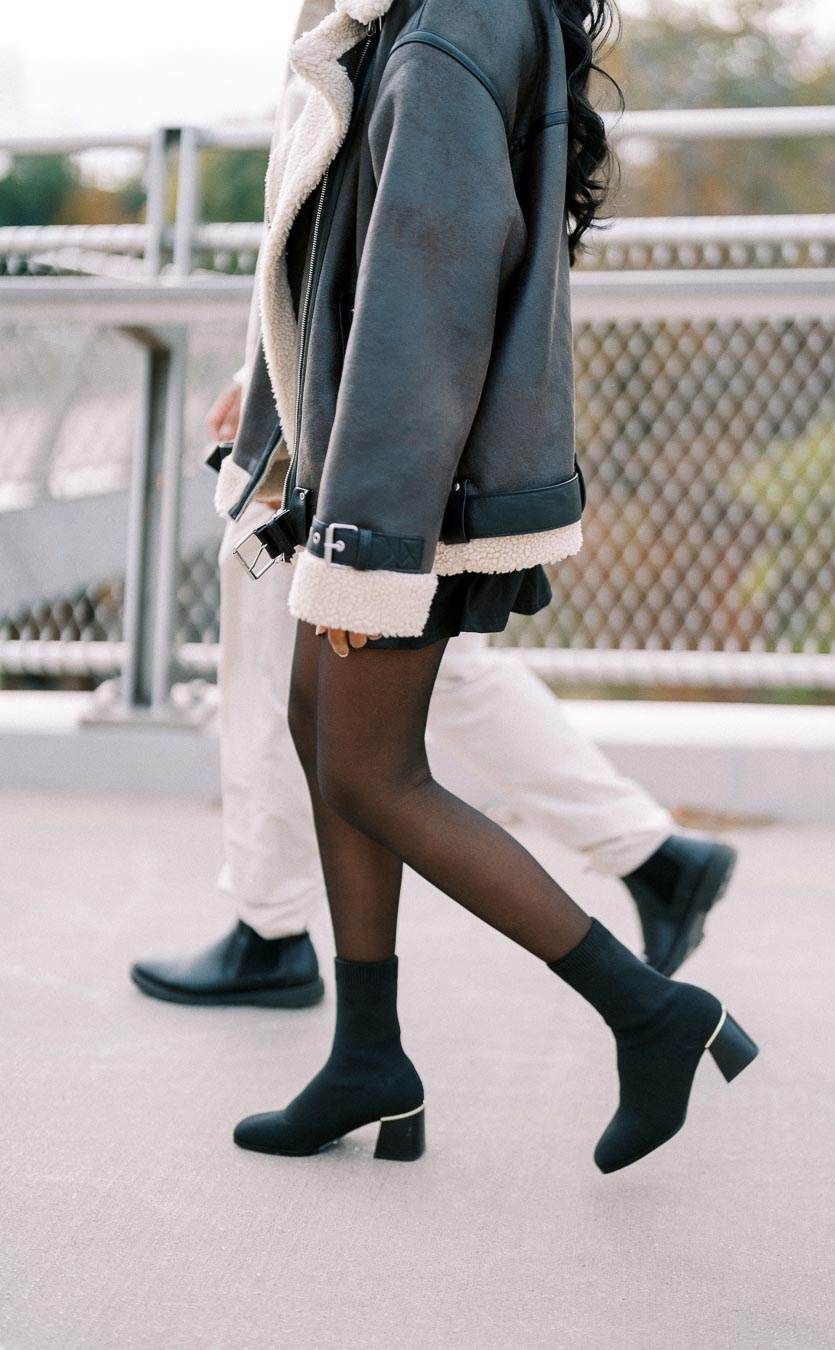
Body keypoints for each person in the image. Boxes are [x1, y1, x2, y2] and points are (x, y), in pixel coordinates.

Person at [189, 0, 760, 1174]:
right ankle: (369, 1061)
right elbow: (358, 243)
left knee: (373, 772)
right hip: (376, 461)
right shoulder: (429, 13)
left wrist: (369, 550)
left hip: (406, 484)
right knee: (321, 732)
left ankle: (649, 1014)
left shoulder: (456, 17)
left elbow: (426, 299)